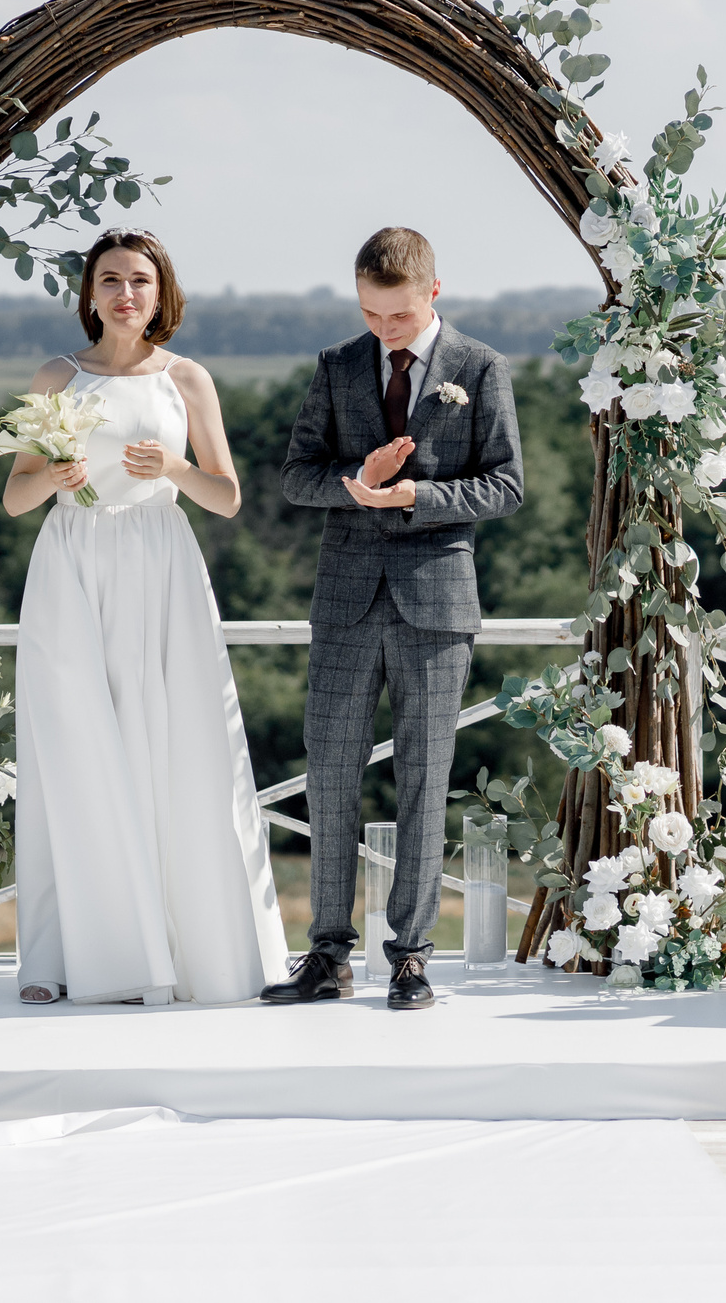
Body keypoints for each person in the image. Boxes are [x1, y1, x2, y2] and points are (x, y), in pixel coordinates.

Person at [2, 230, 291, 1006]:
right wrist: (54, 475)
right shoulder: (54, 375)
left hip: (161, 569)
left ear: (162, 293)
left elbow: (226, 497)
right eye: (110, 280)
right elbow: (15, 496)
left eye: (140, 280)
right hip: (74, 567)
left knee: (174, 748)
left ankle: (184, 947)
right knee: (75, 751)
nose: (126, 294)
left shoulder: (188, 380)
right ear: (89, 293)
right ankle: (61, 958)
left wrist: (174, 468)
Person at [264, 228, 524, 1012]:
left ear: (434, 292)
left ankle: (410, 957)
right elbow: (294, 476)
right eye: (372, 314)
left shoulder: (482, 368)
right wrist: (356, 479)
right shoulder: (337, 366)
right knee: (332, 774)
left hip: (438, 601)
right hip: (345, 601)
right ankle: (327, 955)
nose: (385, 330)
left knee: (423, 776)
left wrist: (419, 496)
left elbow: (506, 486)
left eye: (400, 315)